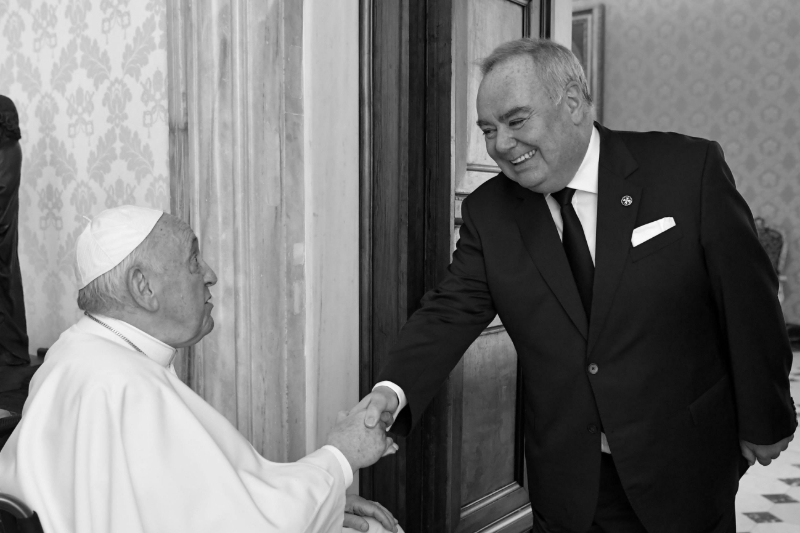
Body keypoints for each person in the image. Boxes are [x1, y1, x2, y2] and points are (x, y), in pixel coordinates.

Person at [353, 38, 797, 532]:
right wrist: (391, 391)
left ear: (571, 103)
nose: (500, 144)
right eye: (488, 130)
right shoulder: (489, 213)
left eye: (516, 121)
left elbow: (748, 301)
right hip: (569, 477)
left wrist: (767, 416)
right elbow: (449, 311)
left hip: (683, 461)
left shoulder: (686, 169)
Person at [0, 205, 400, 533]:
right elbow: (250, 526)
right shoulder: (126, 386)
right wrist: (341, 456)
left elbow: (217, 502)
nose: (210, 274)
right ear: (144, 287)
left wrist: (325, 503)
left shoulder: (78, 351)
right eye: (193, 260)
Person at [0, 95, 33, 415]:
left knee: (6, 285)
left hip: (2, 234)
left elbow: (3, 194)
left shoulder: (9, 152)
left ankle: (11, 350)